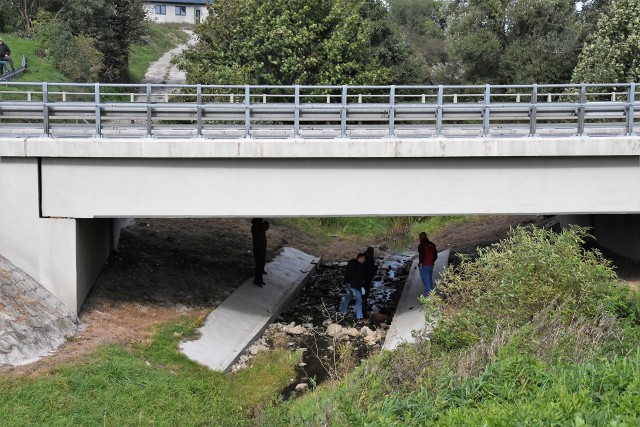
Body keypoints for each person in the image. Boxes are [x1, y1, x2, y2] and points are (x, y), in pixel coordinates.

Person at [339, 253, 366, 321]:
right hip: (355, 285)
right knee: (359, 300)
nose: (364, 260)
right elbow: (358, 277)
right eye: (364, 259)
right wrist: (362, 286)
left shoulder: (350, 263)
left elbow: (347, 273)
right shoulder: (358, 266)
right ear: (361, 258)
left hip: (348, 284)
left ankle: (342, 312)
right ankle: (359, 316)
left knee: (347, 297)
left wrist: (346, 282)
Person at [251, 218, 269, 287]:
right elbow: (257, 242)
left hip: (261, 250)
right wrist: (260, 251)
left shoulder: (261, 230)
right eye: (267, 227)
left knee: (261, 264)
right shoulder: (257, 230)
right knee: (258, 266)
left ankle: (260, 280)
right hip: (259, 250)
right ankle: (257, 280)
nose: (267, 229)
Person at [362, 246, 376, 314]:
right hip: (363, 277)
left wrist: (373, 274)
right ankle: (362, 301)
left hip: (368, 277)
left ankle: (364, 300)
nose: (372, 254)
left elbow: (372, 267)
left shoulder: (371, 258)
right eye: (371, 253)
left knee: (367, 288)